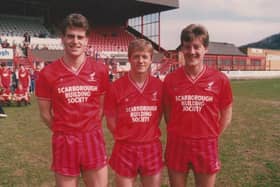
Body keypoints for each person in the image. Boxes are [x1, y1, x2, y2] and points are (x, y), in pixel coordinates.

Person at [36, 13, 109, 187]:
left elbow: (101, 108)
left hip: (92, 139)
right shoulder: (48, 73)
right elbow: (45, 114)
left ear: (87, 40)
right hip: (64, 142)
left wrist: (87, 128)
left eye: (80, 37)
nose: (75, 41)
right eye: (70, 36)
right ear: (62, 38)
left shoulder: (100, 70)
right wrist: (64, 130)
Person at [163, 24, 233, 187]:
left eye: (197, 47)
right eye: (187, 47)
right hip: (177, 143)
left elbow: (226, 113)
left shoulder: (219, 79)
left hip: (206, 144)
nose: (192, 52)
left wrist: (211, 135)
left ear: (205, 48)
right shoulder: (170, 79)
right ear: (182, 49)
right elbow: (168, 114)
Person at [104, 39, 164, 187]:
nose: (140, 60)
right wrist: (125, 135)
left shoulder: (159, 86)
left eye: (144, 56)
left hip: (151, 147)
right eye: (136, 56)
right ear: (129, 58)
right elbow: (110, 119)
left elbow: (160, 115)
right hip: (125, 148)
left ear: (151, 60)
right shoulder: (116, 87)